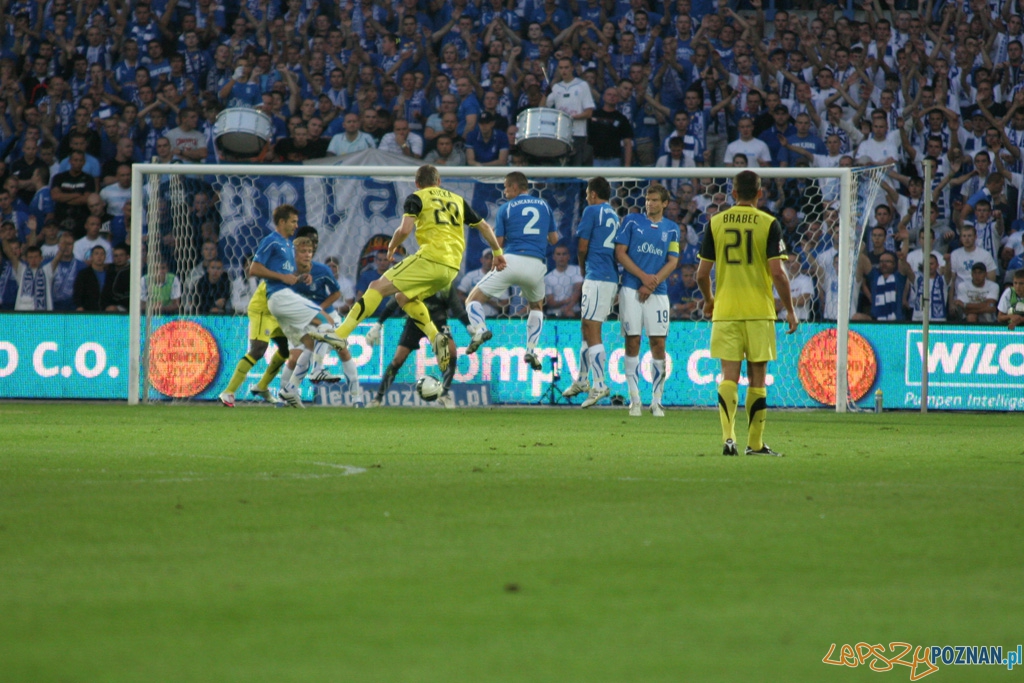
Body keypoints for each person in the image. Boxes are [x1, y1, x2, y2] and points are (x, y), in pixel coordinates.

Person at [313, 165, 506, 375]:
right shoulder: (457, 200)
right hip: (450, 269)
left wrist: (392, 245)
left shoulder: (417, 197)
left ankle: (340, 334)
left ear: (417, 183)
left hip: (431, 259)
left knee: (376, 286)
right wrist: (497, 252)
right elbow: (485, 227)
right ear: (438, 181)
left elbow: (405, 229)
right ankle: (435, 337)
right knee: (403, 297)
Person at [696, 170, 798, 456]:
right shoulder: (769, 223)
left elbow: (702, 274)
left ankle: (729, 437)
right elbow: (777, 273)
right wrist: (790, 310)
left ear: (732, 192)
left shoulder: (715, 222)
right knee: (757, 378)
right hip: (758, 311)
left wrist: (709, 300)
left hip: (726, 310)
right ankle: (755, 443)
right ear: (760, 192)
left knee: (728, 376)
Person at [239, 205, 338, 408]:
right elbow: (254, 269)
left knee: (304, 347)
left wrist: (300, 277)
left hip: (282, 302)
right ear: (282, 222)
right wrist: (283, 276)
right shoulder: (274, 241)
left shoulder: (286, 248)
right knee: (326, 324)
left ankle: (288, 390)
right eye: (293, 221)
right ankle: (317, 370)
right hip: (277, 300)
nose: (295, 224)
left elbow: (289, 275)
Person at [464, 171, 558, 370]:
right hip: (537, 265)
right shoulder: (545, 206)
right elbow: (554, 239)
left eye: (506, 186)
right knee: (537, 307)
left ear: (516, 187)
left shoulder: (505, 209)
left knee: (472, 299)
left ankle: (480, 330)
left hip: (512, 260)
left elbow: (498, 243)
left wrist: (496, 255)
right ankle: (531, 350)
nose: (505, 191)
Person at [615, 183, 680, 417]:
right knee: (632, 341)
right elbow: (620, 252)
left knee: (658, 344)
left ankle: (657, 400)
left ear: (664, 203)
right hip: (631, 289)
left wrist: (651, 284)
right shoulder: (632, 221)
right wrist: (643, 278)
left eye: (654, 200)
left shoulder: (672, 229)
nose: (649, 203)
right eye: (647, 199)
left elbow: (672, 261)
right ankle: (634, 399)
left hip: (658, 293)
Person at [562, 176, 620, 408]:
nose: (587, 197)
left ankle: (599, 384)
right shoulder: (614, 215)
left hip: (598, 277)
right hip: (607, 277)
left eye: (587, 193)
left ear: (593, 194)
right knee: (586, 327)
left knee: (593, 329)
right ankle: (583, 380)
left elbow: (583, 246)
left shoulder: (591, 211)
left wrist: (583, 268)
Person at [365, 286, 470, 409]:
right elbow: (394, 302)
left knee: (451, 352)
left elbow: (457, 308)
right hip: (415, 322)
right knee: (397, 360)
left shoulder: (445, 285)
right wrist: (378, 324)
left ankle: (445, 394)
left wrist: (469, 326)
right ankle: (378, 398)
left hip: (438, 322)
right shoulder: (417, 280)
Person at [544, 244, 583, 317]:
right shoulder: (548, 278)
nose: (561, 257)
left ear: (569, 256)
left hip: (573, 311)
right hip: (553, 313)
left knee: (570, 313)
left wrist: (567, 308)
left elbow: (577, 291)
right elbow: (550, 302)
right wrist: (565, 301)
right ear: (554, 257)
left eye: (564, 254)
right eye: (558, 254)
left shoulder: (577, 270)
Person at [14, 245, 51, 311]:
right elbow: (10, 256)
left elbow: (57, 259)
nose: (33, 260)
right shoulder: (22, 269)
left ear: (41, 258)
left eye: (36, 257)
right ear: (26, 259)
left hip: (42, 313)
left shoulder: (46, 270)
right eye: (30, 257)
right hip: (23, 311)